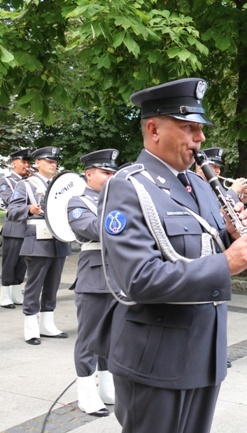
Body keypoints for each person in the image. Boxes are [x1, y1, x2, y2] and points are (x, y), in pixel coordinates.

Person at [95, 78, 247, 433]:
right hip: (157, 360)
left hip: (204, 353)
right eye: (189, 128)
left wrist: (230, 237)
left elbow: (199, 245)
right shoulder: (128, 186)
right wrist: (227, 262)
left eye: (200, 129)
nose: (200, 139)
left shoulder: (200, 185)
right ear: (154, 129)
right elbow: (139, 279)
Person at [66, 149, 119, 417]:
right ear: (89, 174)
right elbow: (92, 228)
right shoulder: (78, 202)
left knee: (111, 338)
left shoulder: (119, 201)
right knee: (89, 339)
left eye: (113, 172)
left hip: (119, 278)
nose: (111, 176)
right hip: (94, 277)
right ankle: (86, 394)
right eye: (105, 172)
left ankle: (107, 388)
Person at [6, 146, 72, 345]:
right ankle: (31, 327)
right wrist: (29, 208)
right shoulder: (26, 185)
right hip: (37, 240)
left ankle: (47, 324)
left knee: (52, 285)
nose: (53, 164)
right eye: (49, 161)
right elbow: (12, 210)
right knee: (35, 285)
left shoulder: (61, 185)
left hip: (58, 240)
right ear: (37, 163)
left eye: (55, 161)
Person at [0, 149, 31, 308]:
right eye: (23, 162)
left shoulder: (30, 181)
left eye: (28, 162)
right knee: (10, 261)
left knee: (22, 262)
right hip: (14, 227)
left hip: (28, 227)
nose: (27, 166)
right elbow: (9, 201)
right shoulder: (7, 181)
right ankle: (4, 294)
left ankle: (16, 291)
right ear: (14, 163)